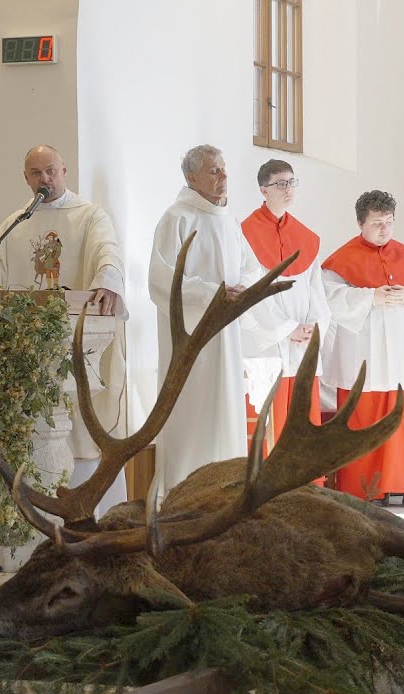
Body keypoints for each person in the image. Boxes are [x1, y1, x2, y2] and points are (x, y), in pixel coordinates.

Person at [0, 145, 128, 516]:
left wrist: (108, 279)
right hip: (28, 352)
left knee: (81, 431)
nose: (44, 179)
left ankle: (85, 518)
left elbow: (108, 251)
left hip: (76, 345)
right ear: (26, 178)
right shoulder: (17, 223)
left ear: (64, 170)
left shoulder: (90, 216)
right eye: (36, 173)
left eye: (50, 170)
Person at [148, 145, 272, 497]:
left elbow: (250, 269)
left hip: (226, 336)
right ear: (191, 178)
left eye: (224, 169)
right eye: (214, 171)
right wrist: (212, 293)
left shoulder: (228, 221)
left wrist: (240, 290)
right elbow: (160, 280)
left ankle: (225, 493)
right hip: (191, 339)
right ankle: (182, 495)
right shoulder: (177, 218)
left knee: (226, 408)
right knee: (191, 414)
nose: (224, 176)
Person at [321, 191, 404, 509]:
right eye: (377, 223)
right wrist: (370, 298)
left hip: (403, 354)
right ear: (361, 222)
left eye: (389, 222)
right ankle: (370, 489)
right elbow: (329, 297)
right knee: (366, 416)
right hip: (365, 353)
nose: (385, 229)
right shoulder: (340, 261)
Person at [238, 160, 331, 474]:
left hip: (302, 344)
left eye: (292, 182)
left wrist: (313, 326)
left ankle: (306, 490)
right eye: (281, 184)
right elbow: (250, 292)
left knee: (302, 418)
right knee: (271, 421)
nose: (289, 189)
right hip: (268, 346)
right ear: (264, 190)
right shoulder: (245, 235)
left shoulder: (305, 236)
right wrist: (285, 329)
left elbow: (317, 289)